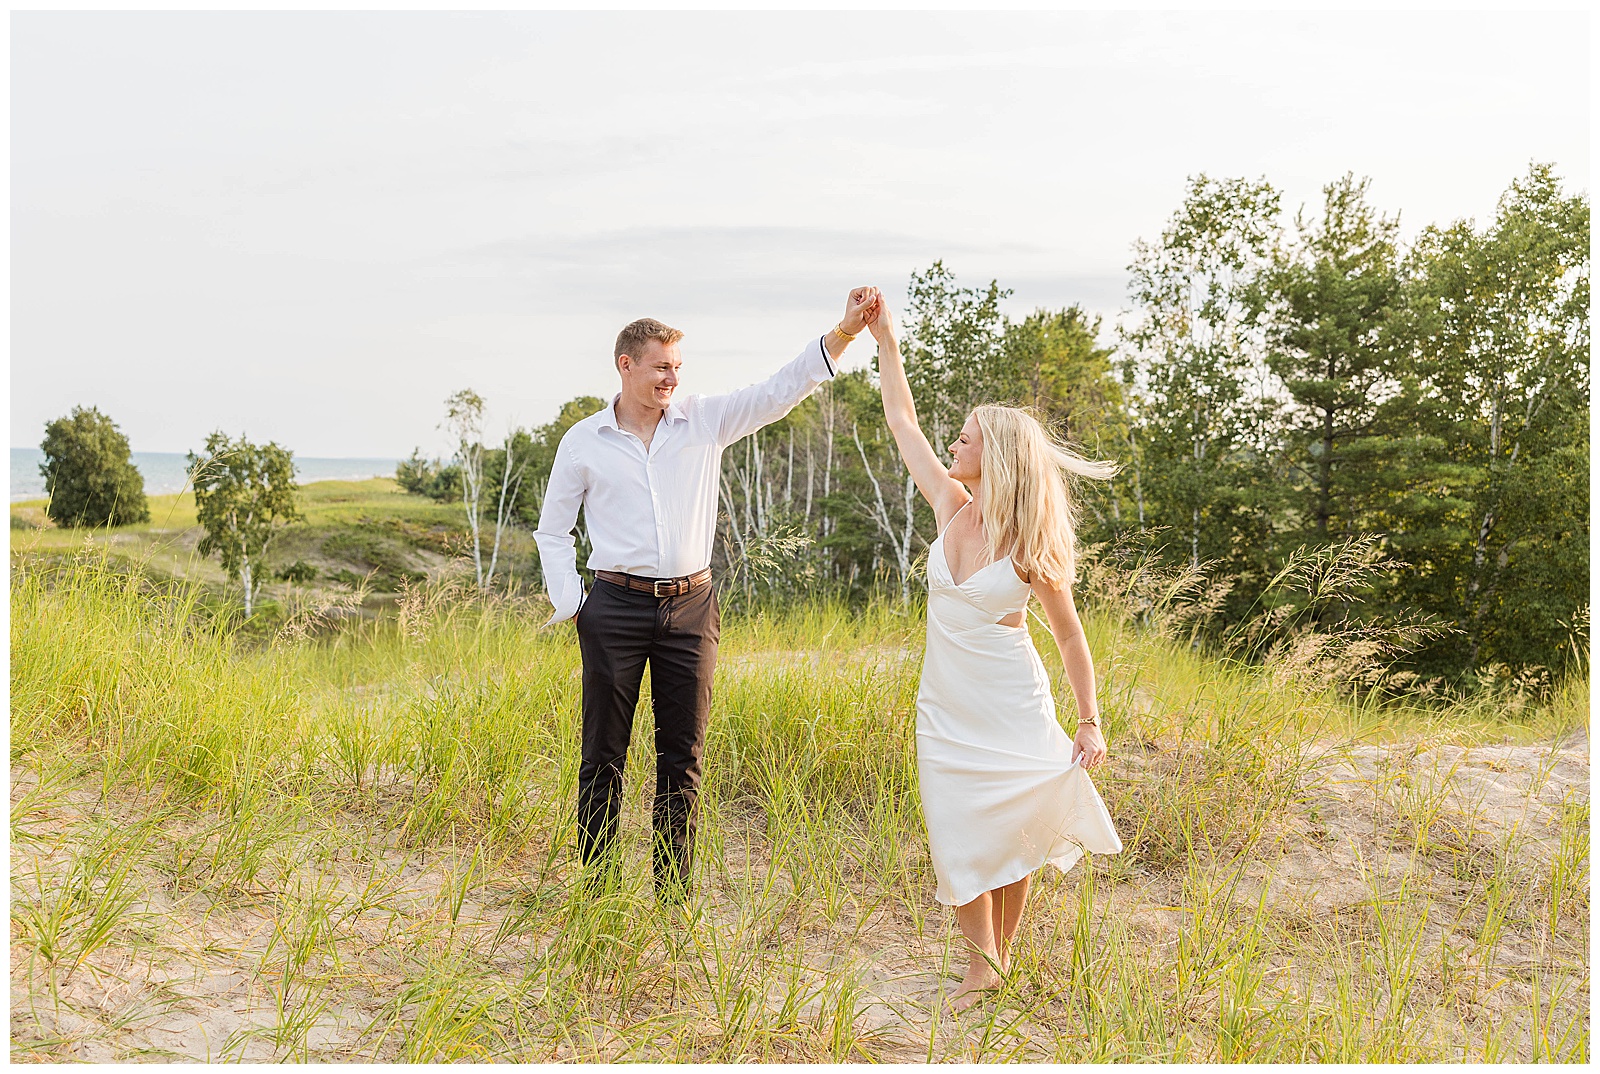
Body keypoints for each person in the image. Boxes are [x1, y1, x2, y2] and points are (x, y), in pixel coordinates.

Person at [534, 287, 880, 902]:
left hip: (691, 608)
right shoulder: (583, 441)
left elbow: (780, 389)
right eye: (661, 365)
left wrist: (845, 331)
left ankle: (672, 894)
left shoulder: (705, 421)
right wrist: (573, 604)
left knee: (683, 753)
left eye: (677, 368)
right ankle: (598, 891)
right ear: (626, 365)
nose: (672, 377)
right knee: (604, 750)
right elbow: (552, 529)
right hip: (612, 606)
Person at [862, 296, 1123, 1011]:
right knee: (957, 828)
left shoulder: (1030, 543)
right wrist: (885, 338)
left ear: (996, 453)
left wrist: (1090, 719)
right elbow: (901, 422)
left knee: (1012, 827)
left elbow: (1069, 635)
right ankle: (986, 963)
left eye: (967, 438)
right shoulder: (950, 506)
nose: (954, 444)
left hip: (1012, 705)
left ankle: (990, 964)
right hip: (945, 708)